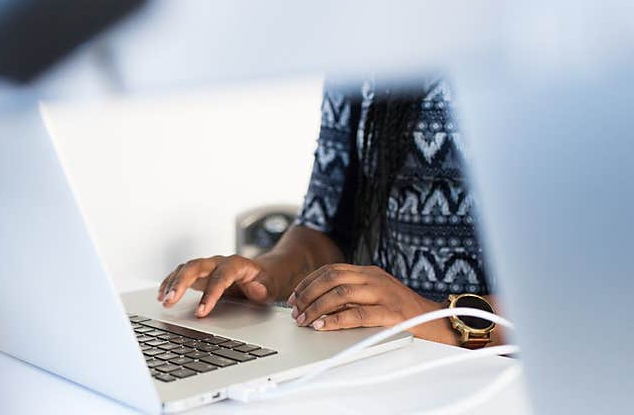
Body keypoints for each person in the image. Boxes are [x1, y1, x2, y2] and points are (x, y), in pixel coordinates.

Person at [157, 77, 501, 347]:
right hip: (394, 353)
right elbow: (325, 227)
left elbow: (557, 298)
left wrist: (431, 317)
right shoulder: (362, 43)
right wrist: (266, 274)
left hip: (521, 375)